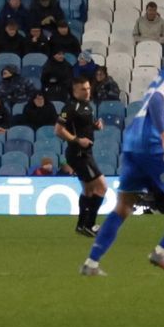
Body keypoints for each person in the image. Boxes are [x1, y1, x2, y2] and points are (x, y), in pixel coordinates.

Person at [83, 39, 164, 278]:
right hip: (151, 146)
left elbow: (162, 118)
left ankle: (91, 263)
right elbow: (157, 102)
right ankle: (162, 252)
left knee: (124, 206)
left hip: (132, 144)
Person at [60, 76, 108, 237]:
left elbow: (84, 126)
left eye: (88, 88)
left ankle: (81, 226)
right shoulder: (70, 107)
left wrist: (95, 126)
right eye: (83, 89)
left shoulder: (87, 105)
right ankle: (90, 224)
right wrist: (77, 140)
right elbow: (58, 130)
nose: (87, 92)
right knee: (102, 187)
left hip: (85, 152)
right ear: (75, 90)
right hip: (78, 154)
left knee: (88, 190)